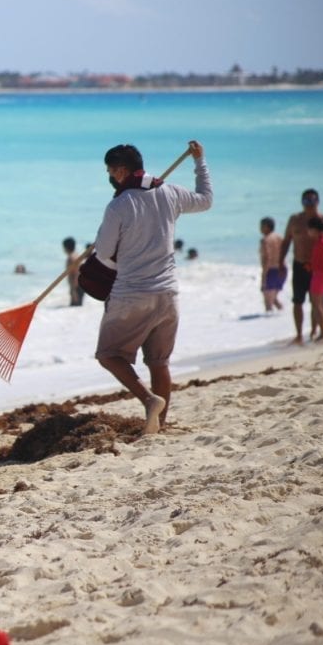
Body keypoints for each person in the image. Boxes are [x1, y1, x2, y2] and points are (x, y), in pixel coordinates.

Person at [93, 141, 212, 435]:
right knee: (159, 363)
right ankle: (160, 425)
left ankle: (149, 400)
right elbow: (205, 200)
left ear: (122, 170)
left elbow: (104, 252)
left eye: (110, 171)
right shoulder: (169, 192)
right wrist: (200, 162)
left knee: (108, 354)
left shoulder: (119, 205)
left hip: (131, 295)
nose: (110, 177)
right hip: (168, 294)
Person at [280, 189, 323, 343]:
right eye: (306, 201)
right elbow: (286, 241)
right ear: (301, 202)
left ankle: (317, 332)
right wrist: (280, 261)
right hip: (299, 265)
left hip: (318, 268)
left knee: (317, 302)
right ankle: (299, 334)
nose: (309, 204)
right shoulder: (295, 220)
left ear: (318, 202)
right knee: (297, 301)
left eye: (312, 201)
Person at [259, 216, 285, 312]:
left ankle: (270, 319)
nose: (260, 228)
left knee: (268, 303)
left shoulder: (265, 240)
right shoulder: (280, 238)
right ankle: (283, 314)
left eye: (261, 226)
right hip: (282, 269)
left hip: (271, 270)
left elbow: (267, 259)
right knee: (273, 299)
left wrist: (264, 275)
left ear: (267, 227)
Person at [62, 236, 84, 306]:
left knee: (75, 306)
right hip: (81, 285)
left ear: (66, 247)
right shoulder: (77, 255)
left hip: (76, 286)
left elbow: (75, 274)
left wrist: (73, 290)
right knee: (77, 307)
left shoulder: (70, 258)